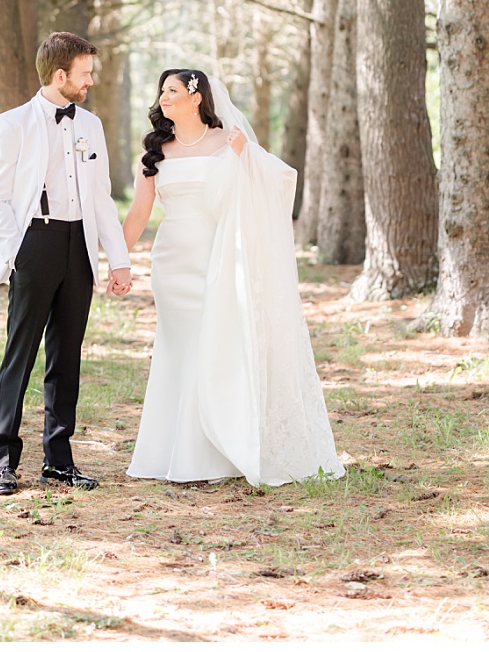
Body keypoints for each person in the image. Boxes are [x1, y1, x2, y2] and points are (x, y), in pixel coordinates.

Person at [123, 69, 344, 486]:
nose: (163, 98)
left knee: (218, 346)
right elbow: (138, 214)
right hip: (172, 262)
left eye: (171, 91)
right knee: (178, 349)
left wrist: (246, 157)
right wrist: (117, 261)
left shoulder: (230, 142)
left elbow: (275, 185)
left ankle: (220, 448)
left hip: (219, 255)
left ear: (195, 98)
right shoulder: (156, 151)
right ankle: (170, 450)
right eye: (161, 92)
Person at [0, 32, 134, 496]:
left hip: (78, 245)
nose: (90, 82)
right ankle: (3, 460)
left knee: (67, 357)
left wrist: (119, 261)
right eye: (84, 73)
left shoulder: (92, 124)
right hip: (35, 241)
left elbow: (102, 197)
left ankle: (58, 461)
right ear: (60, 74)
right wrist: (19, 248)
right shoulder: (12, 124)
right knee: (20, 354)